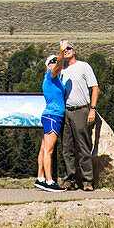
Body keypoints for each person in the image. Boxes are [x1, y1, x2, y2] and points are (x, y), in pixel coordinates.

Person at [59, 40, 99, 191]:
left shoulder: (84, 66)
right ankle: (69, 179)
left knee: (83, 146)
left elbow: (95, 88)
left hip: (80, 110)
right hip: (66, 111)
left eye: (69, 48)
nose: (66, 51)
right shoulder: (61, 70)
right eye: (63, 49)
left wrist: (92, 109)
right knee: (67, 148)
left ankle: (87, 180)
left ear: (74, 51)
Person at [35, 44, 67, 191]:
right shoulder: (50, 76)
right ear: (47, 66)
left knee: (43, 148)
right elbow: (59, 66)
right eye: (51, 62)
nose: (55, 63)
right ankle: (49, 181)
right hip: (53, 116)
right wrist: (61, 51)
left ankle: (40, 177)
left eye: (56, 61)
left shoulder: (56, 80)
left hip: (50, 115)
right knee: (49, 149)